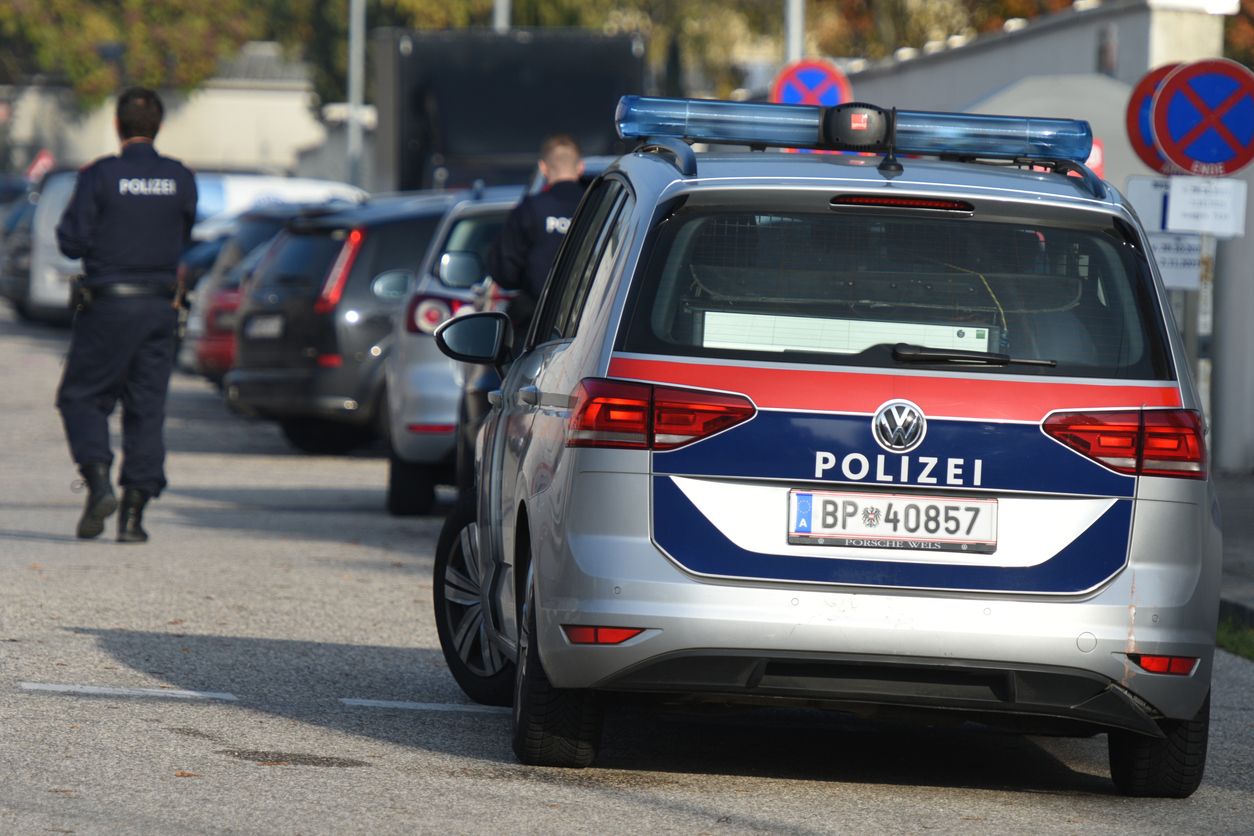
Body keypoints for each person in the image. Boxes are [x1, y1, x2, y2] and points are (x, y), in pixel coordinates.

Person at [55, 87, 197, 543]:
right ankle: (133, 515)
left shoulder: (101, 175)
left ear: (118, 126)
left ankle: (98, 482)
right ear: (158, 127)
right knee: (147, 409)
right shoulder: (179, 177)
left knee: (81, 396)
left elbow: (71, 242)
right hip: (160, 308)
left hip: (108, 306)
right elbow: (187, 231)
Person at [486, 133, 585, 341]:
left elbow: (505, 269)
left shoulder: (530, 209)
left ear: (543, 167)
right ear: (580, 167)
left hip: (537, 327)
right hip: (588, 325)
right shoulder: (598, 208)